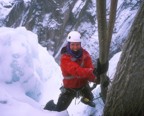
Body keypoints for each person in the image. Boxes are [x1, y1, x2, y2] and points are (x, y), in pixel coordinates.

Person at [44, 31, 108, 112]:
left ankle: (85, 99)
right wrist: (94, 71)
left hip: (83, 86)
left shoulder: (85, 55)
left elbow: (90, 72)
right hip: (70, 89)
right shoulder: (65, 58)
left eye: (77, 44)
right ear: (69, 44)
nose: (75, 47)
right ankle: (50, 106)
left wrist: (98, 79)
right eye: (72, 44)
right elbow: (76, 71)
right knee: (59, 111)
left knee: (90, 99)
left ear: (80, 44)